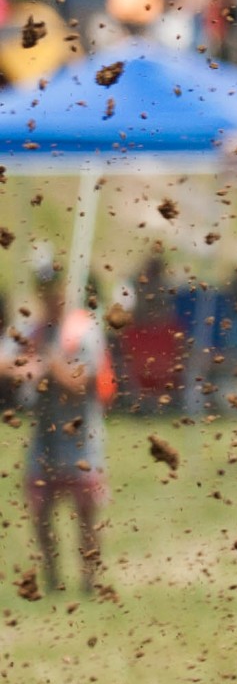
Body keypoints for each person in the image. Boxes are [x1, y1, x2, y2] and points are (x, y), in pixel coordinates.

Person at [4, 251, 109, 597]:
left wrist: (50, 366)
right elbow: (6, 361)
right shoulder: (31, 328)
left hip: (81, 436)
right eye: (42, 285)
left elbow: (83, 380)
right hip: (44, 436)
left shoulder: (83, 328)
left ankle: (89, 581)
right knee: (40, 510)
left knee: (86, 513)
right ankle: (52, 579)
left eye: (53, 284)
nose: (49, 292)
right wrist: (27, 365)